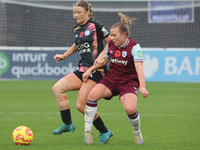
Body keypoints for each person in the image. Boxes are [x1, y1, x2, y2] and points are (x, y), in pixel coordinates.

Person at [83, 12, 149, 145]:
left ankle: (137, 133)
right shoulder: (111, 45)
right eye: (111, 35)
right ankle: (87, 131)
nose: (111, 38)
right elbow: (102, 61)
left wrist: (142, 87)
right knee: (92, 96)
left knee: (130, 109)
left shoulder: (135, 47)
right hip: (111, 81)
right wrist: (89, 70)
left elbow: (139, 68)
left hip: (128, 83)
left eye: (114, 35)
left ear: (123, 35)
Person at [52, 0, 113, 144]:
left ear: (87, 12)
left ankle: (105, 131)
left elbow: (111, 42)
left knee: (81, 105)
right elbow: (76, 44)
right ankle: (68, 124)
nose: (76, 15)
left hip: (97, 71)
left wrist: (102, 56)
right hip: (82, 70)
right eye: (75, 12)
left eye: (79, 12)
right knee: (57, 89)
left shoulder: (95, 25)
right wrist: (64, 55)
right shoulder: (77, 29)